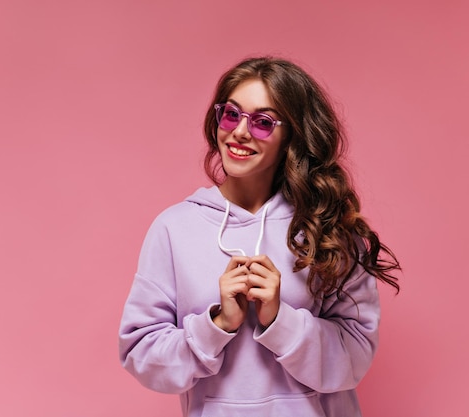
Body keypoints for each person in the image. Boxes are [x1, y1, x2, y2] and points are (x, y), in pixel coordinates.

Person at [119, 56, 400, 417]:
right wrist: (218, 324)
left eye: (263, 122)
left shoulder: (327, 229)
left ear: (292, 137)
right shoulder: (174, 229)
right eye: (232, 114)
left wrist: (279, 320)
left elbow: (356, 357)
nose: (240, 131)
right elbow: (141, 355)